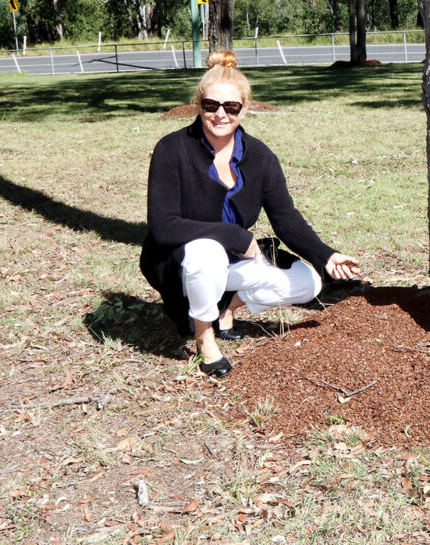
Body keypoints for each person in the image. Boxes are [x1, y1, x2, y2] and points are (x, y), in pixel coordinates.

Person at [140, 50, 360, 378]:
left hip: (231, 261)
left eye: (231, 107)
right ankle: (204, 336)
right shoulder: (172, 149)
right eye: (210, 105)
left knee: (308, 282)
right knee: (208, 250)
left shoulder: (260, 156)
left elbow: (286, 218)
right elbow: (162, 227)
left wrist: (325, 255)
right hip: (180, 264)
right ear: (198, 105)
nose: (220, 115)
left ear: (245, 109)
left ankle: (226, 309)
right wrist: (235, 235)